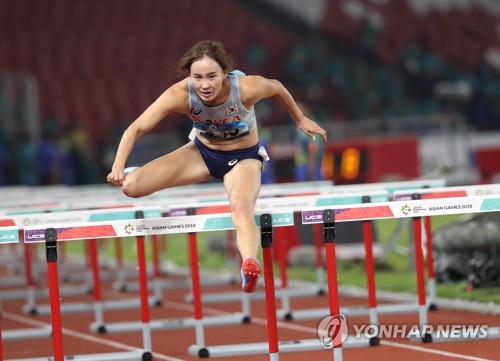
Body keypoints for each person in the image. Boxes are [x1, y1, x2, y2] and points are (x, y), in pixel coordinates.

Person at [107, 40, 327, 293]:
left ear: (225, 72)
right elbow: (136, 128)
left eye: (212, 76)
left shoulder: (245, 88)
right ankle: (137, 172)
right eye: (197, 77)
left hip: (243, 158)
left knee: (242, 209)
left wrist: (299, 118)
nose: (204, 85)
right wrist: (118, 165)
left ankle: (249, 264)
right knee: (131, 187)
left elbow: (276, 87)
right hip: (202, 153)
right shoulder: (181, 94)